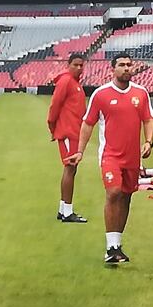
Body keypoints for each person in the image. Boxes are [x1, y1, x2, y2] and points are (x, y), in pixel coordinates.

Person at [68, 54, 153, 264]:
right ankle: (110, 247)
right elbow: (88, 123)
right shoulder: (101, 94)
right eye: (122, 65)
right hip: (110, 156)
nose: (126, 68)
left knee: (126, 196)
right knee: (114, 192)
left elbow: (148, 119)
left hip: (132, 157)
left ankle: (116, 245)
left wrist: (149, 142)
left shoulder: (141, 93)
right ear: (112, 69)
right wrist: (80, 151)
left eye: (129, 65)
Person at [47, 53, 88, 223]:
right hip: (68, 132)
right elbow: (55, 105)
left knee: (71, 169)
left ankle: (63, 209)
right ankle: (67, 212)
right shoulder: (66, 81)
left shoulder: (75, 83)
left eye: (81, 65)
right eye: (76, 65)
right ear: (68, 64)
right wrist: (52, 126)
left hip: (74, 132)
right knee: (70, 168)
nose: (79, 68)